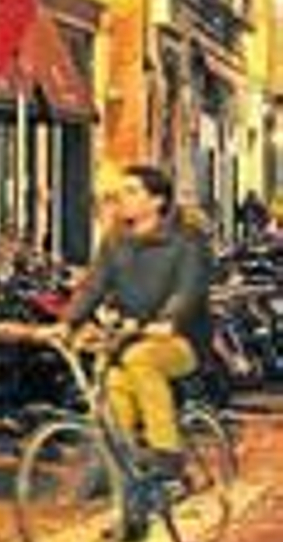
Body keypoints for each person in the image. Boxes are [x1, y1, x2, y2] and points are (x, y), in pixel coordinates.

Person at [52, 165, 211, 485]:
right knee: (112, 381)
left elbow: (189, 288)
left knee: (141, 360)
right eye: (120, 192)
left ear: (157, 201)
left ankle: (167, 454)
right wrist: (68, 322)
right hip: (130, 338)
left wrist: (169, 320)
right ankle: (122, 477)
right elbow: (94, 286)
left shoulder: (187, 240)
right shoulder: (115, 241)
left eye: (131, 191)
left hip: (182, 341)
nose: (121, 198)